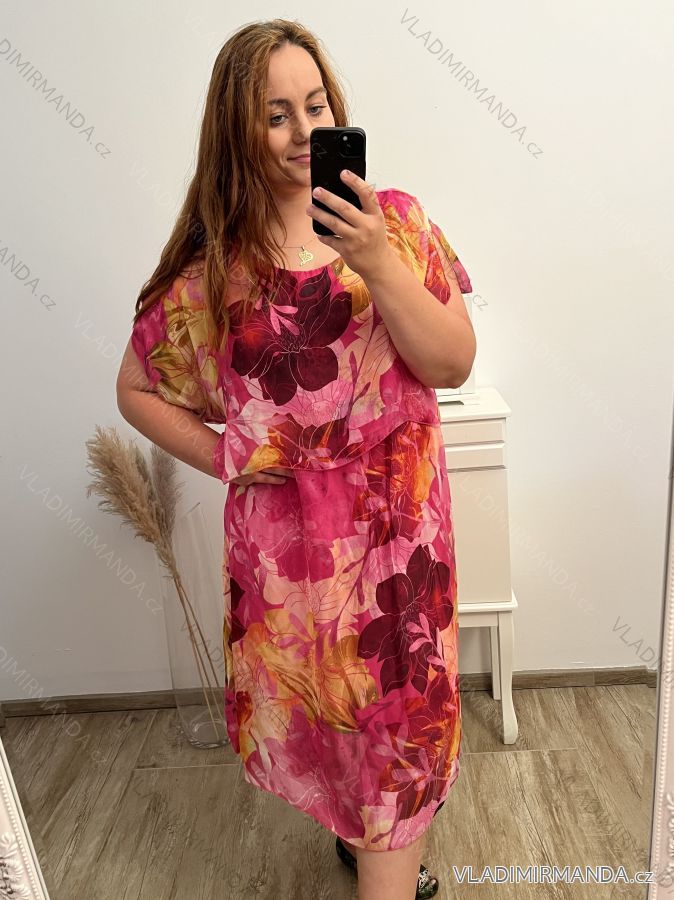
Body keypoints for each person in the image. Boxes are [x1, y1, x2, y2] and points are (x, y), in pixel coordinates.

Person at [117, 18, 476, 900]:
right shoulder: (216, 272)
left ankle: (383, 859)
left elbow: (453, 363)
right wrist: (229, 453)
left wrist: (377, 263)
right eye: (276, 114)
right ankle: (366, 841)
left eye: (315, 105)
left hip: (399, 558)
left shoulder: (395, 223)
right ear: (235, 129)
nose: (303, 130)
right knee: (340, 742)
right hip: (294, 573)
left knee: (399, 747)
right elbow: (135, 387)